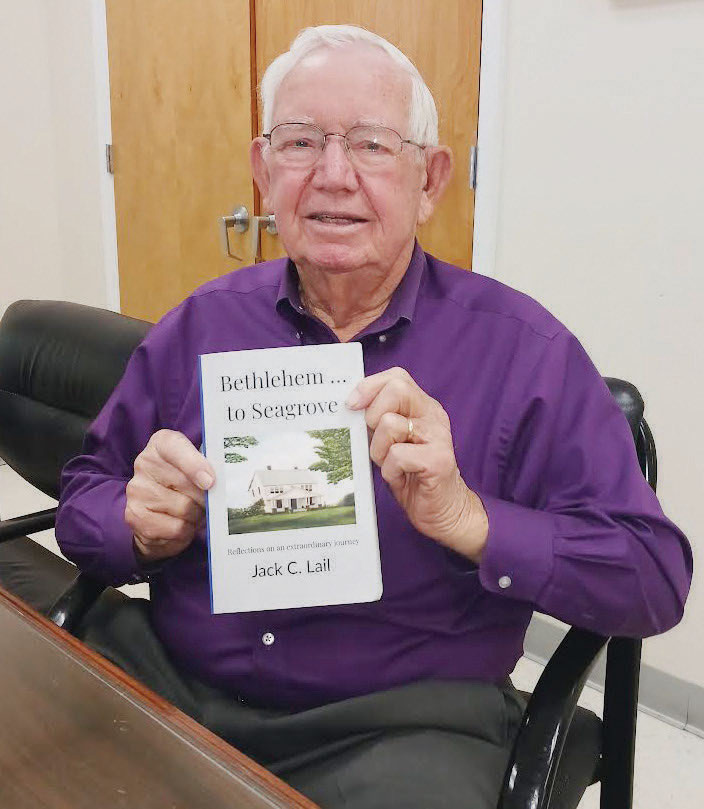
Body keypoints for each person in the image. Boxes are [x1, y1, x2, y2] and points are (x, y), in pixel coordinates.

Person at [53, 25, 691, 809]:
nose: (333, 175)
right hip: (174, 683)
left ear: (431, 180)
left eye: (372, 145)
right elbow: (85, 492)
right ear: (263, 171)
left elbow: (653, 576)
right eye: (300, 142)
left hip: (402, 731)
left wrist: (469, 518)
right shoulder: (201, 324)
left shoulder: (525, 353)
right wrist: (135, 523)